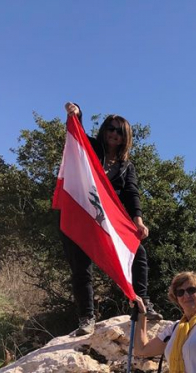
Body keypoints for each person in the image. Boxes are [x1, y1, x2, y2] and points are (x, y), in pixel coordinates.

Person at [62, 102, 161, 336]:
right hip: (82, 214)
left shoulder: (126, 166)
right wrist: (77, 113)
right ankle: (86, 317)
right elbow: (77, 136)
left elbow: (131, 194)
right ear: (104, 130)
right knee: (81, 268)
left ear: (126, 137)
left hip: (106, 220)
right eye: (110, 128)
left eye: (119, 131)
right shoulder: (91, 149)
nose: (114, 134)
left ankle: (144, 303)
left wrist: (138, 221)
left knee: (138, 252)